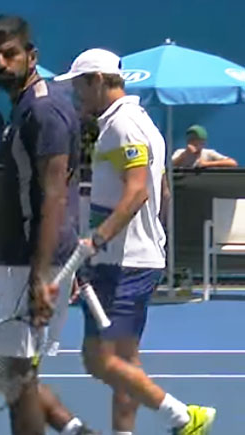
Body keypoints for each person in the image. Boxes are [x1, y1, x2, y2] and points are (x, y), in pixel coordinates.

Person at [55, 48, 216, 435]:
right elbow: (162, 191)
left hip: (124, 264)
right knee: (125, 361)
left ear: (97, 80)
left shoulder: (123, 125)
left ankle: (183, 416)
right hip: (127, 259)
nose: (75, 94)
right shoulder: (139, 124)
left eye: (78, 85)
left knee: (99, 359)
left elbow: (138, 192)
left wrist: (97, 240)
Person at [0, 15, 98, 435]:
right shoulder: (24, 108)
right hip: (23, 259)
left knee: (16, 377)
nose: (0, 63)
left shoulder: (44, 111)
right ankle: (77, 431)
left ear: (32, 56)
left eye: (9, 54)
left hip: (33, 261)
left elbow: (54, 196)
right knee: (10, 373)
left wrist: (40, 275)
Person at [172, 124, 238, 168]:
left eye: (196, 140)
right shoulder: (180, 152)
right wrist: (184, 155)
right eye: (191, 140)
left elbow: (232, 163)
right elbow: (170, 166)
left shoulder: (209, 153)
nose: (193, 142)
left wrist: (206, 164)